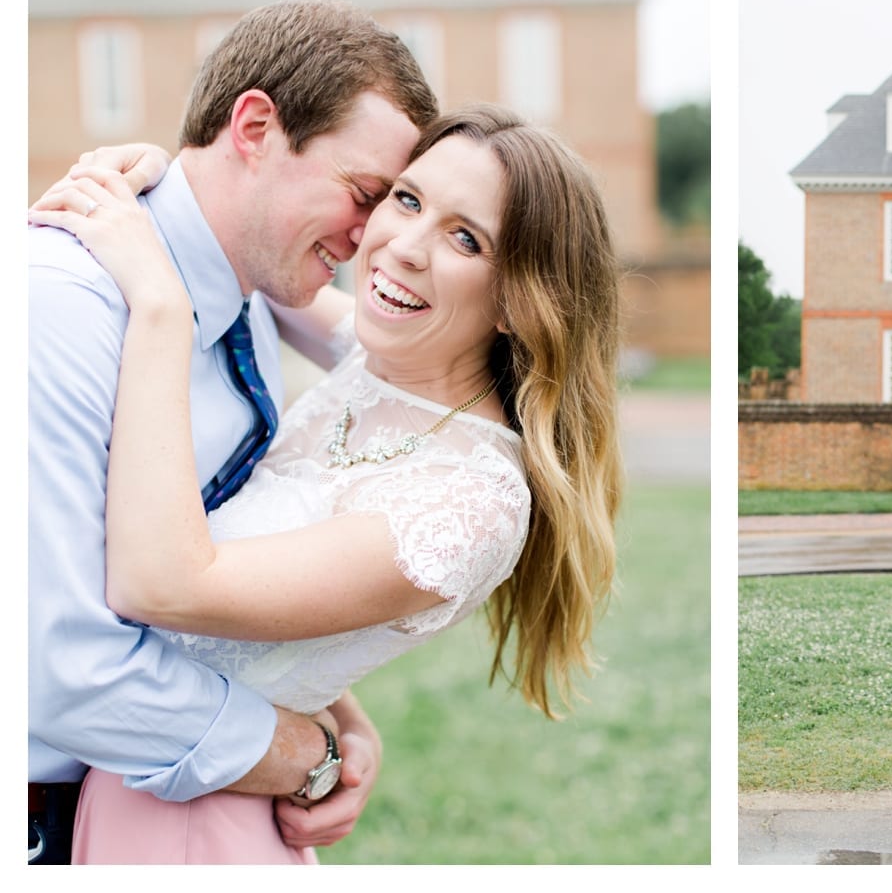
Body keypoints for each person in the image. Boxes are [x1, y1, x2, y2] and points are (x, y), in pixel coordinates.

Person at [28, 103, 623, 863]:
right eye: (405, 199)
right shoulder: (380, 356)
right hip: (159, 768)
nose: (402, 247)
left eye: (465, 237)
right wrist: (154, 168)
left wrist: (160, 308)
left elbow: (164, 586)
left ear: (518, 299)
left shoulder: (472, 501)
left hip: (194, 822)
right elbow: (241, 238)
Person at [27, 0, 437, 864]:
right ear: (255, 126)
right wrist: (304, 753)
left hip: (167, 800)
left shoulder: (249, 293)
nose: (371, 241)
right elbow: (63, 669)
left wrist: (340, 721)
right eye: (366, 196)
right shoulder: (60, 307)